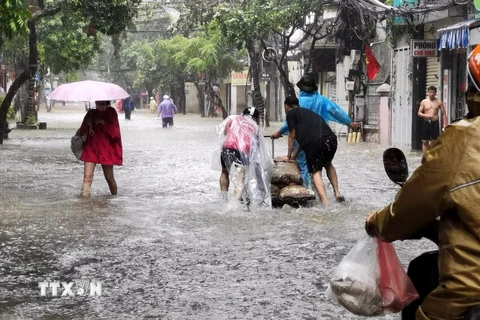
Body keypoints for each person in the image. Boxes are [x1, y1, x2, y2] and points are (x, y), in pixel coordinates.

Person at [365, 44, 480, 320]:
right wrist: (434, 230)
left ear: (471, 89)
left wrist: (377, 222)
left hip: (469, 294)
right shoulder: (436, 114)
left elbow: (408, 208)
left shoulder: (463, 139)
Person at [272, 74, 358, 200]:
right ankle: (336, 192)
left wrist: (280, 132)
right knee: (326, 163)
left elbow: (290, 128)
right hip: (325, 135)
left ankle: (311, 195)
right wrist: (348, 122)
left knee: (307, 169)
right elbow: (335, 111)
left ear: (301, 89)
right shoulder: (322, 100)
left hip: (306, 140)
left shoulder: (298, 104)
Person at [283, 96, 341, 205]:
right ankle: (337, 193)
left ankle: (325, 202)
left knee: (315, 171)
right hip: (331, 139)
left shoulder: (291, 113)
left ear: (286, 106)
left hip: (316, 142)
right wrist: (293, 158)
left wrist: (288, 155)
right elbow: (302, 142)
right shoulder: (307, 113)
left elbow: (292, 136)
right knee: (328, 164)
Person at [219, 107, 272, 207]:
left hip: (227, 146)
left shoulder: (234, 117)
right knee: (240, 180)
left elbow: (225, 126)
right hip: (242, 150)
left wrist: (229, 134)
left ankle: (224, 198)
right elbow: (255, 150)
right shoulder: (255, 127)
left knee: (224, 172)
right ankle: (233, 206)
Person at [76, 100, 123, 198]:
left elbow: (115, 135)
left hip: (106, 149)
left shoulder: (111, 113)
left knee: (109, 178)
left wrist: (103, 122)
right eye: (97, 104)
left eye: (102, 104)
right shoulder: (91, 113)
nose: (99, 106)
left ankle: (115, 197)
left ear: (107, 104)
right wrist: (88, 123)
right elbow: (82, 131)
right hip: (91, 147)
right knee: (87, 177)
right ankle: (84, 201)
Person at [418, 86, 448, 157]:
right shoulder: (424, 102)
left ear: (435, 93)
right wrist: (425, 116)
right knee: (425, 141)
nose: (432, 94)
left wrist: (445, 124)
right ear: (428, 93)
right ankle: (425, 157)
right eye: (430, 92)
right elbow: (419, 113)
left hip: (435, 123)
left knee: (434, 142)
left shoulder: (439, 101)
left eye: (433, 92)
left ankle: (433, 157)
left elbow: (444, 113)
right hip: (426, 122)